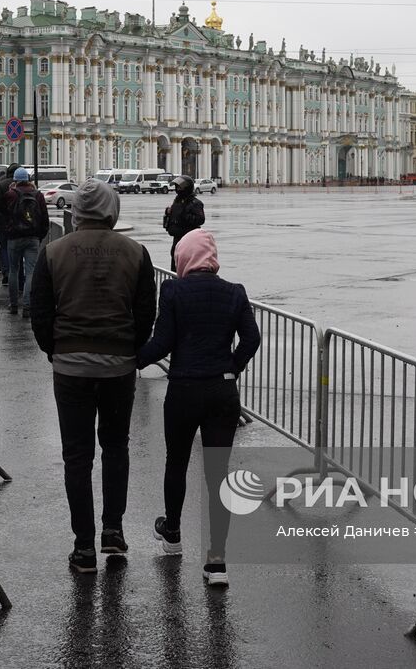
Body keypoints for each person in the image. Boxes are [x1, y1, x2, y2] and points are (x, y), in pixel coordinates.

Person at [31, 180, 157, 574]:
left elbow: (40, 314)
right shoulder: (136, 252)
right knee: (116, 447)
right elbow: (145, 313)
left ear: (76, 212)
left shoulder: (52, 252)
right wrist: (130, 351)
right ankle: (113, 531)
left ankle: (83, 547)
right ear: (111, 209)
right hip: (119, 367)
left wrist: (57, 350)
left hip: (70, 368)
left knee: (77, 457)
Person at [137, 229, 260, 587]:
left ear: (184, 258)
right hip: (223, 393)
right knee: (218, 475)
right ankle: (217, 560)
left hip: (184, 390)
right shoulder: (234, 292)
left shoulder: (173, 290)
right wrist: (231, 368)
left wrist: (132, 359)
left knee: (176, 463)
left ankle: (172, 534)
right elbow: (252, 338)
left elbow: (163, 342)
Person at [2, 167, 50, 316]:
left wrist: (7, 233)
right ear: (29, 180)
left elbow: (3, 215)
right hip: (33, 238)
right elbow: (44, 218)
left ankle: (14, 305)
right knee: (30, 272)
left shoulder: (9, 195)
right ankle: (28, 306)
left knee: (14, 271)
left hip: (14, 238)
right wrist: (39, 236)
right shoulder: (38, 195)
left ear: (15, 180)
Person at [163, 175, 206, 271]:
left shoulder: (195, 203)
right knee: (175, 266)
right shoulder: (177, 201)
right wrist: (168, 213)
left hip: (189, 241)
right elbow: (173, 217)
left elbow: (200, 220)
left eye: (180, 187)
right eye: (176, 187)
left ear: (187, 188)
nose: (177, 189)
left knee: (186, 267)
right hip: (176, 239)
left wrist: (185, 215)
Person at [0, 163, 21, 282]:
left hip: (3, 221)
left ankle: (7, 272)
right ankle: (20, 275)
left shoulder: (2, 184)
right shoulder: (25, 184)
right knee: (19, 249)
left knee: (4, 248)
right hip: (20, 222)